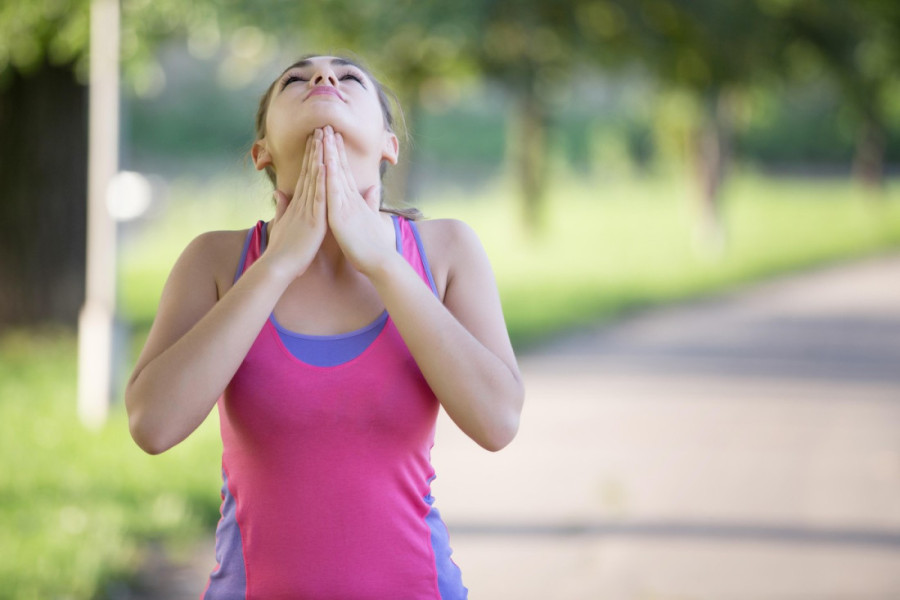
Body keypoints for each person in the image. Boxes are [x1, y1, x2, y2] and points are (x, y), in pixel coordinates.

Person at [125, 54, 524, 599]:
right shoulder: (215, 261)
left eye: (349, 77)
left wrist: (382, 263)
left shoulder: (448, 250)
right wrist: (278, 264)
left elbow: (498, 421)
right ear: (262, 152)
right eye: (297, 78)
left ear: (389, 145)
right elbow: (152, 425)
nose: (323, 79)